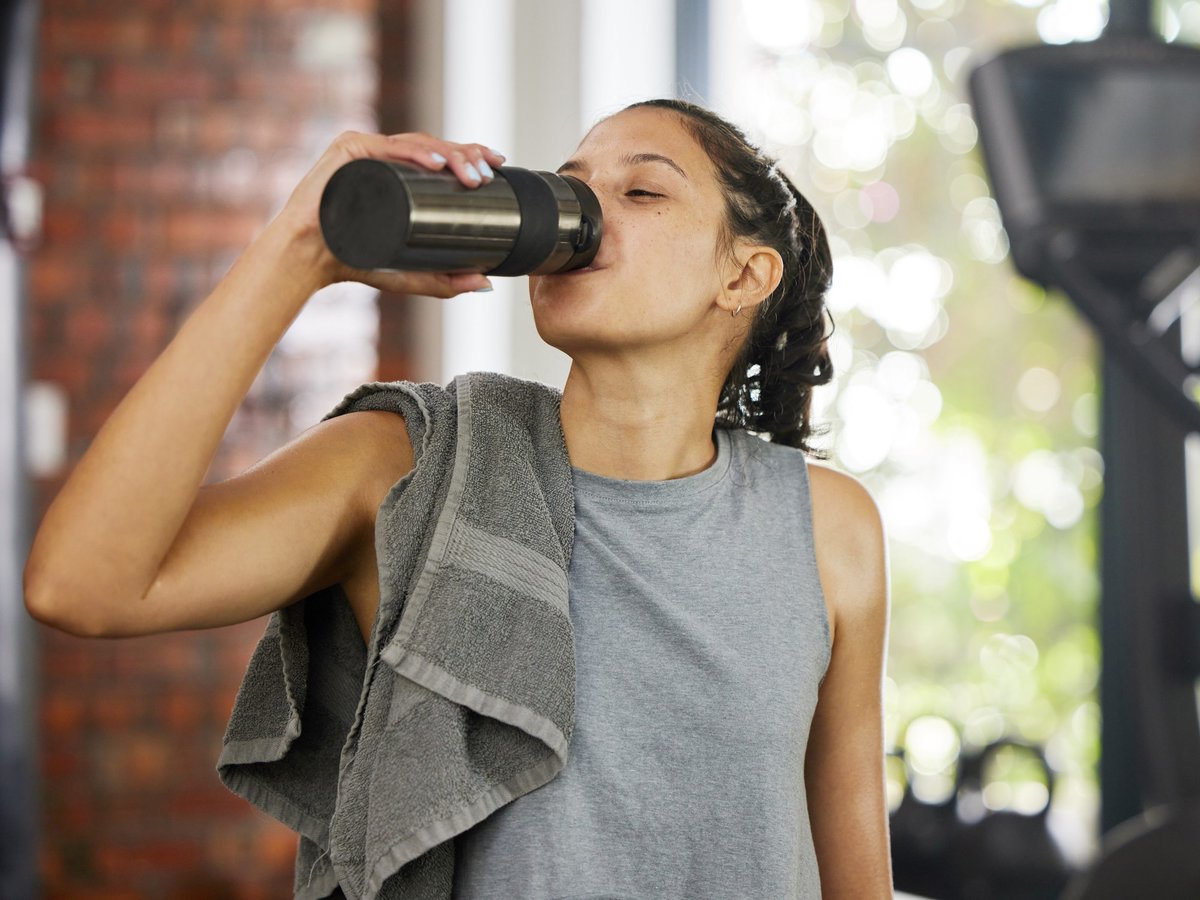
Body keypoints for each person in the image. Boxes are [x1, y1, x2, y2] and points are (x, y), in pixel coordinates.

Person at [25, 98, 892, 898]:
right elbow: (83, 585)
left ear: (743, 276)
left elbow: (854, 877)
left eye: (641, 191)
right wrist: (299, 250)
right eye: (571, 187)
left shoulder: (827, 529)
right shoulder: (407, 466)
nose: (584, 214)